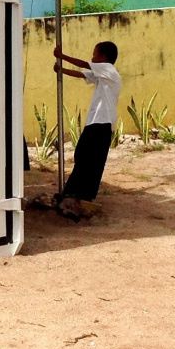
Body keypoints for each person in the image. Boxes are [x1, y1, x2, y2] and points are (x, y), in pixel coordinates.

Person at [53, 41, 122, 221]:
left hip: (102, 121)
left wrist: (62, 56)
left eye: (95, 54)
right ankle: (75, 192)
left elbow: (84, 65)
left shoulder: (108, 69)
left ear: (104, 57)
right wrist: (61, 70)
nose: (92, 58)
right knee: (84, 156)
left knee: (88, 158)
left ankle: (80, 194)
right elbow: (82, 74)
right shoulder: (102, 75)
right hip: (97, 121)